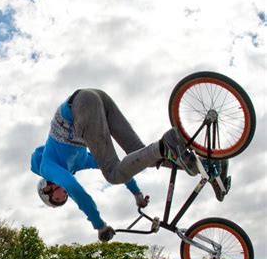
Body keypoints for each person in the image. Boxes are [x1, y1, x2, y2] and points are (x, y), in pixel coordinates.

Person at [31, 89, 200, 241]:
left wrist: (99, 225)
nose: (64, 195)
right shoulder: (78, 162)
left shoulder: (46, 167)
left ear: (46, 189)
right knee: (143, 154)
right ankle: (204, 164)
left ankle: (164, 146)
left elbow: (75, 189)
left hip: (80, 108)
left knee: (113, 175)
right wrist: (136, 193)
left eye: (58, 197)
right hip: (97, 98)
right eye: (64, 199)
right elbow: (122, 166)